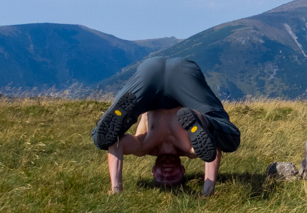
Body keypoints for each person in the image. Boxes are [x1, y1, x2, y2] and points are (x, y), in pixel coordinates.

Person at [92, 56, 240, 196]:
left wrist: (116, 190)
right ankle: (203, 120)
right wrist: (208, 192)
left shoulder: (144, 145)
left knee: (104, 140)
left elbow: (117, 144)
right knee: (228, 140)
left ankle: (117, 117)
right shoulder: (190, 148)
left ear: (153, 171)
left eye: (161, 178)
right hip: (183, 74)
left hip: (150, 75)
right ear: (182, 170)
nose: (167, 175)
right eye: (173, 178)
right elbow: (212, 149)